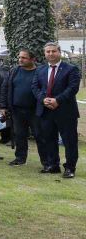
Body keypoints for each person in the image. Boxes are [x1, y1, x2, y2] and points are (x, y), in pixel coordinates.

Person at [32, 42, 81, 178]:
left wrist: (57, 100)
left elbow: (73, 88)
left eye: (53, 51)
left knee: (69, 141)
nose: (51, 54)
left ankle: (70, 168)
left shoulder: (71, 69)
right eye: (48, 52)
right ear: (45, 53)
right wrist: (43, 99)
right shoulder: (40, 70)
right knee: (48, 139)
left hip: (65, 111)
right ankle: (53, 165)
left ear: (59, 52)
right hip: (45, 110)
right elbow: (35, 87)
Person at [0, 49, 42, 166]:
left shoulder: (41, 71)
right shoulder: (14, 71)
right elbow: (5, 88)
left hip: (35, 111)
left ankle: (46, 161)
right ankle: (20, 158)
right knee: (19, 135)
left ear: (33, 59)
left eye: (24, 58)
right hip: (17, 110)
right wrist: (3, 106)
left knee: (40, 136)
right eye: (19, 57)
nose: (20, 60)